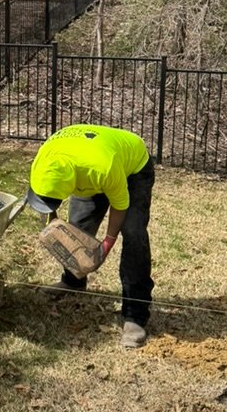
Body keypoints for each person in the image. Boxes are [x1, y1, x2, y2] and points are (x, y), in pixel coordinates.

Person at [27, 123, 155, 348]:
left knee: (133, 233)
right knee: (78, 226)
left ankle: (135, 315)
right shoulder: (44, 160)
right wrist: (55, 228)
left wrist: (107, 243)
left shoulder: (102, 169)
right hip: (90, 162)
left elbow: (120, 205)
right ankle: (73, 281)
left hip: (132, 168)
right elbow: (46, 200)